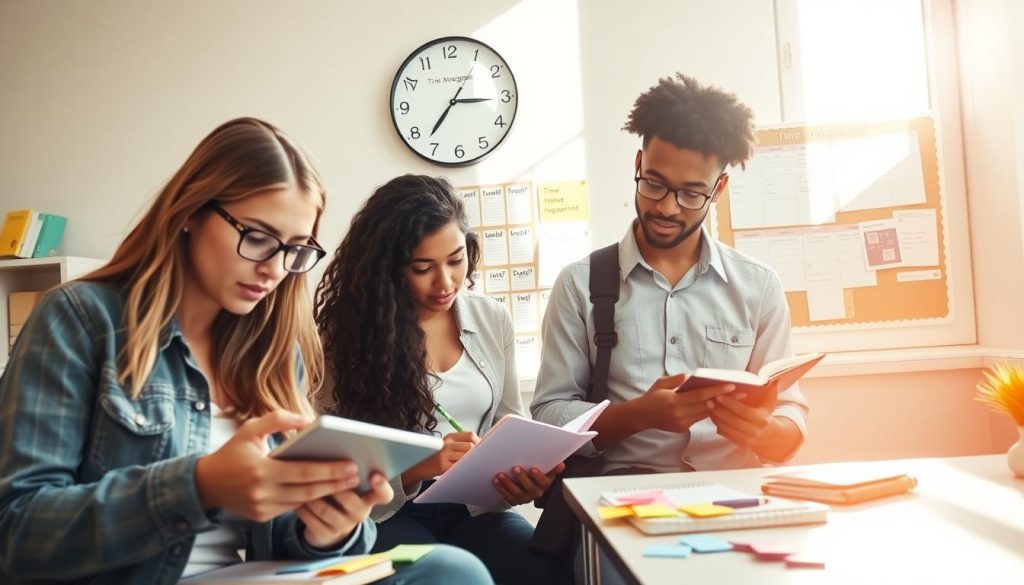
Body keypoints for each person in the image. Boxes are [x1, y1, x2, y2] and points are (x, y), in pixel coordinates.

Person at [0, 118, 490, 585]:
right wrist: (198, 486)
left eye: (296, 249)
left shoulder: (275, 351)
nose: (275, 268)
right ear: (191, 211)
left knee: (450, 571)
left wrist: (328, 530)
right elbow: (15, 532)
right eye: (257, 238)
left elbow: (283, 539)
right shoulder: (81, 320)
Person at [530, 74, 810, 578]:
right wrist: (637, 415)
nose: (665, 207)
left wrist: (764, 430)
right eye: (655, 183)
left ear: (719, 188)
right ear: (638, 164)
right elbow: (550, 414)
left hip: (734, 501)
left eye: (690, 194)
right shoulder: (580, 285)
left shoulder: (758, 287)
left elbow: (790, 414)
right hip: (618, 504)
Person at [314, 174, 563, 584]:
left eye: (456, 259)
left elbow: (508, 421)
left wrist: (520, 478)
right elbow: (333, 465)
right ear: (388, 268)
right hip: (387, 514)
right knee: (445, 577)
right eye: (423, 267)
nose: (446, 282)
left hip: (474, 509)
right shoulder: (340, 337)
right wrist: (417, 466)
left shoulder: (491, 318)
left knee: (539, 565)